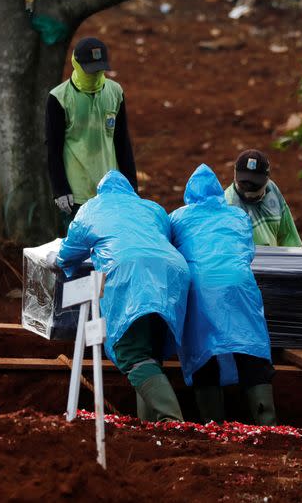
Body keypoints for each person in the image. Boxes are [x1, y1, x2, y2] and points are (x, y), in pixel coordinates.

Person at [53, 170, 189, 422]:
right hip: (172, 276)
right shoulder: (153, 209)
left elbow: (67, 253)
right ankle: (148, 426)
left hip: (129, 276)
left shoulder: (91, 210)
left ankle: (173, 422)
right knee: (149, 354)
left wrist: (58, 260)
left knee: (132, 352)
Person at [169, 164, 277, 425]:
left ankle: (213, 426)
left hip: (200, 290)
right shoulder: (238, 217)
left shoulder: (177, 218)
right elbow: (247, 252)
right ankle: (267, 424)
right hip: (240, 287)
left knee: (204, 354)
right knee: (250, 349)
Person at [46, 37, 138, 233]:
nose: (96, 74)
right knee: (80, 256)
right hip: (76, 196)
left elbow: (122, 142)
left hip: (110, 193)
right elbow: (53, 148)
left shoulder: (115, 92)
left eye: (99, 68)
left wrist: (131, 187)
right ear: (75, 64)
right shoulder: (59, 98)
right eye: (91, 69)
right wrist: (60, 189)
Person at [224, 149, 302, 247]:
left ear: (267, 179)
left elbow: (288, 235)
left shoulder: (272, 190)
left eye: (254, 185)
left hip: (273, 260)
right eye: (244, 184)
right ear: (235, 173)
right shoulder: (228, 206)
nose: (248, 192)